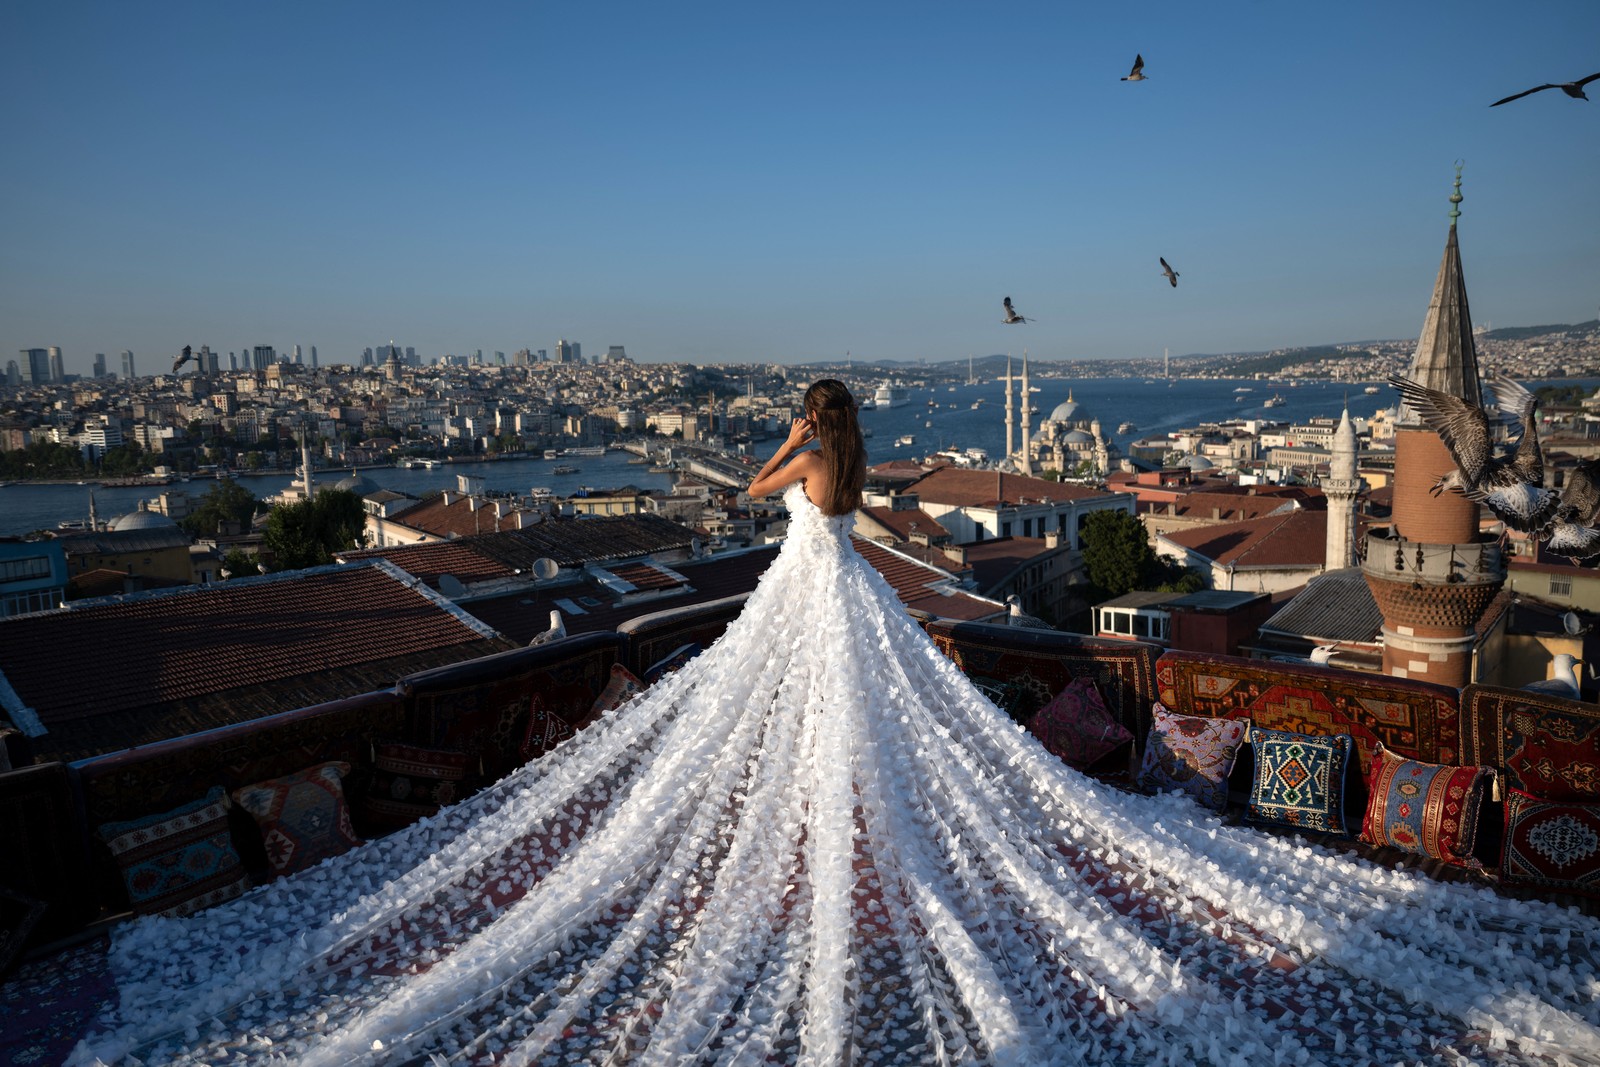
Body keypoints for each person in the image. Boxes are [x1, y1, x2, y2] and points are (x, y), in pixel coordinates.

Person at [74, 381, 1600, 1066]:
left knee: (807, 728)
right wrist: (821, 452)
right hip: (854, 591)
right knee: (867, 723)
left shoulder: (803, 465)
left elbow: (750, 505)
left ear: (812, 418)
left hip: (803, 593)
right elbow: (828, 519)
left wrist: (772, 449)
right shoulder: (861, 470)